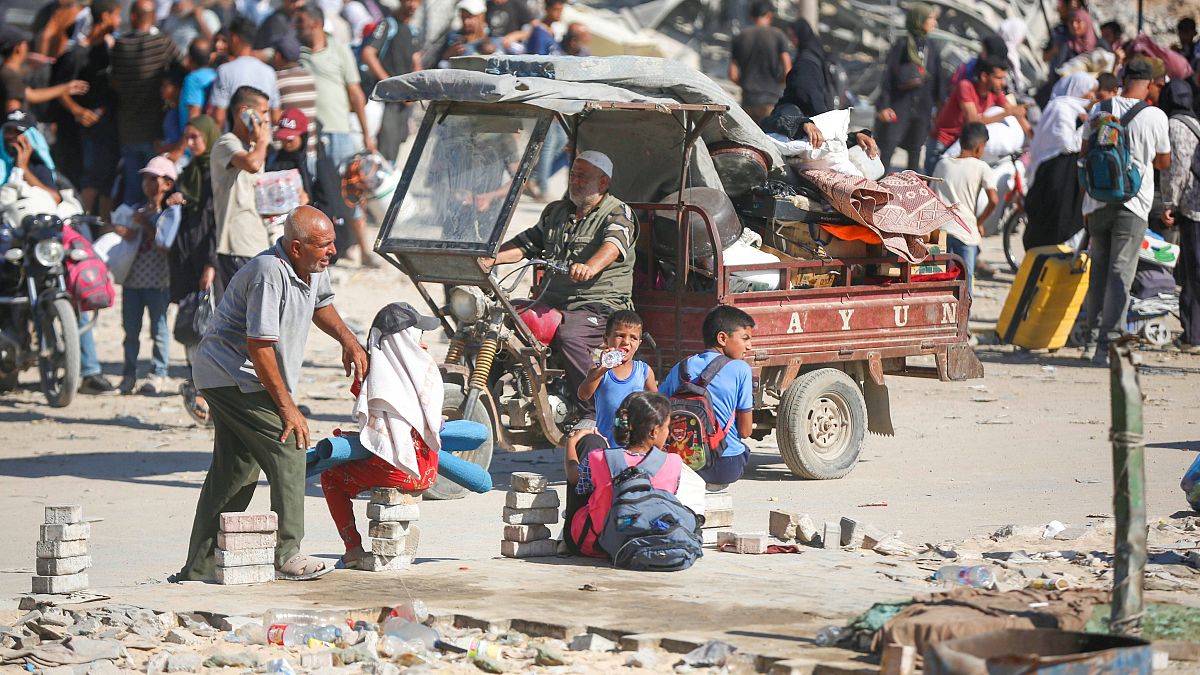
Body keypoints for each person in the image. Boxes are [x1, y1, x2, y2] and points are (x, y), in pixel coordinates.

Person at [177, 205, 369, 583]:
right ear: (296, 248)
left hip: (238, 376)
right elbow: (260, 345)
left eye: (333, 243)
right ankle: (287, 553)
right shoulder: (269, 273)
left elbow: (322, 303)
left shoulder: (312, 268)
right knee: (290, 444)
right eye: (323, 245)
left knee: (234, 471)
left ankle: (198, 568)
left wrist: (348, 340)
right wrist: (287, 406)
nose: (332, 251)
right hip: (231, 374)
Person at [484, 151, 637, 416]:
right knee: (502, 319)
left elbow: (613, 245)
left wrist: (590, 267)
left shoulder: (617, 212)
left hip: (598, 305)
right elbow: (526, 244)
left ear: (602, 183)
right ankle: (487, 395)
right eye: (573, 175)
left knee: (570, 336)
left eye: (583, 177)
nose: (575, 181)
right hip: (553, 302)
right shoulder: (557, 212)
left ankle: (591, 410)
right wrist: (489, 259)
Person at [320, 302, 443, 569]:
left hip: (396, 471)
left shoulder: (373, 371)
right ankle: (401, 533)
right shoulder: (428, 370)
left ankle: (352, 547)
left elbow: (371, 418)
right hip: (428, 471)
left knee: (330, 476)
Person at [1080, 59, 1171, 364]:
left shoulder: (1100, 109)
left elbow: (1083, 155)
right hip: (1133, 204)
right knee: (1121, 273)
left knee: (1099, 271)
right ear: (1146, 84)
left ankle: (1091, 339)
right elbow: (1163, 163)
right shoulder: (1155, 116)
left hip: (1096, 203)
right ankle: (1108, 345)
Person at [565, 391, 703, 558]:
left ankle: (567, 543)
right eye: (666, 426)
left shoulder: (598, 458)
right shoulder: (673, 462)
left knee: (589, 450)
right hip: (647, 540)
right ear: (654, 432)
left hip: (596, 545)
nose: (668, 432)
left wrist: (572, 443)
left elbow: (575, 480)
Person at [294, 4, 378, 266]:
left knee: (350, 191)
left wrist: (366, 135)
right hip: (308, 138)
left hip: (339, 132)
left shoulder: (340, 51)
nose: (297, 28)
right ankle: (328, 250)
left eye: (301, 23)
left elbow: (355, 94)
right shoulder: (297, 55)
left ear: (317, 24)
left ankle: (363, 248)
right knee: (317, 194)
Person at [657, 305, 755, 487]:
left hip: (682, 461)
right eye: (745, 338)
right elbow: (745, 431)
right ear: (722, 338)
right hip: (725, 466)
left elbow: (658, 406)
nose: (749, 346)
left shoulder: (681, 366)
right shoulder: (741, 369)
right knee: (743, 448)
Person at [563, 311, 657, 494]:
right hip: (605, 443)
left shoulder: (644, 371)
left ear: (639, 343)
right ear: (607, 339)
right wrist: (602, 369)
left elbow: (657, 405)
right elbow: (583, 394)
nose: (626, 342)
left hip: (634, 445)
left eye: (633, 337)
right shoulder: (599, 370)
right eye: (620, 335)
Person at [113, 156, 179, 395]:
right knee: (130, 331)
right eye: (146, 179)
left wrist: (146, 225)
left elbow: (165, 244)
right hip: (132, 281)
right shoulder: (135, 210)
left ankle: (158, 374)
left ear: (168, 184)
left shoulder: (171, 213)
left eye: (155, 179)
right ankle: (128, 375)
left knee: (159, 330)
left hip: (158, 281)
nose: (149, 184)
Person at [169, 116, 220, 419]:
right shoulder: (188, 172)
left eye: (195, 138)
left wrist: (211, 264)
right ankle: (195, 387)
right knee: (192, 325)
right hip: (185, 261)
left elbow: (216, 222)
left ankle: (211, 393)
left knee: (211, 328)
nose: (190, 144)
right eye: (187, 138)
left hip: (206, 261)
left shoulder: (215, 173)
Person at [50, 0, 119, 219]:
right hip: (88, 127)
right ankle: (83, 223)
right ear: (106, 16)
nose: (120, 20)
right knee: (91, 176)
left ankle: (102, 221)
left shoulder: (104, 48)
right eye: (117, 15)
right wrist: (78, 111)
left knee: (106, 175)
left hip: (106, 122)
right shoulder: (77, 53)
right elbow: (60, 90)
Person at [110, 0, 182, 205]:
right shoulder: (162, 42)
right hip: (156, 132)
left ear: (132, 17)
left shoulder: (120, 45)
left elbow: (114, 81)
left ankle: (132, 231)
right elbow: (181, 69)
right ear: (153, 17)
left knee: (133, 189)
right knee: (157, 192)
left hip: (128, 130)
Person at [1024, 72, 1096, 251]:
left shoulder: (1075, 110)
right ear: (1078, 90)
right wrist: (1087, 127)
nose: (1092, 97)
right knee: (1052, 221)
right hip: (1053, 174)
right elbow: (1066, 143)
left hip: (1066, 175)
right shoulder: (1060, 108)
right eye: (1090, 92)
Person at [211, 85, 272, 290]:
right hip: (236, 243)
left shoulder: (255, 148)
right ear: (244, 111)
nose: (267, 119)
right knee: (244, 312)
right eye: (263, 112)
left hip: (258, 240)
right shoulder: (226, 143)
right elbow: (252, 165)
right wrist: (263, 141)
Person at [873, 3, 944, 172]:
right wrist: (883, 106)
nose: (934, 22)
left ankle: (910, 192)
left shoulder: (932, 48)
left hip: (922, 110)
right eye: (930, 19)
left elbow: (939, 80)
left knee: (915, 150)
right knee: (888, 148)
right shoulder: (902, 45)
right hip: (899, 107)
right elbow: (888, 77)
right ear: (919, 21)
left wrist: (940, 107)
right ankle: (879, 189)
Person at [931, 122, 997, 299]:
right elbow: (994, 200)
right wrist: (979, 222)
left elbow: (931, 196)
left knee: (940, 281)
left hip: (941, 231)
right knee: (965, 284)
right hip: (966, 233)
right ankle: (963, 323)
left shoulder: (942, 164)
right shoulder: (981, 167)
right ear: (980, 147)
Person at [1158, 80, 1200, 353]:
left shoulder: (1174, 125)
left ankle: (1194, 335)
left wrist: (1169, 202)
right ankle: (1192, 333)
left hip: (1192, 207)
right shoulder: (1195, 122)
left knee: (1194, 272)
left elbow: (1178, 169)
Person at [927, 55, 1021, 175]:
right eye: (998, 78)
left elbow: (1013, 110)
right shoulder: (965, 87)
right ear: (984, 76)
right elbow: (973, 120)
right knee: (931, 185)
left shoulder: (995, 92)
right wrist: (1007, 113)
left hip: (961, 145)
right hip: (943, 143)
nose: (1002, 83)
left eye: (1003, 78)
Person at [360, 0, 422, 163]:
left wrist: (413, 92)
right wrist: (391, 85)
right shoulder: (387, 25)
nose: (413, 5)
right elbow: (368, 54)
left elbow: (416, 62)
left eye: (417, 1)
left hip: (403, 105)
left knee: (396, 152)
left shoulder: (413, 31)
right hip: (385, 101)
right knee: (383, 157)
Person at [209, 16, 280, 130]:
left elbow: (219, 118)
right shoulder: (269, 72)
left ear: (234, 38)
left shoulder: (225, 71)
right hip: (264, 141)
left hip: (236, 143)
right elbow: (276, 115)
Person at [728, 0, 791, 124]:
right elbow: (788, 69)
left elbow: (732, 74)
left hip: (749, 101)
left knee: (749, 141)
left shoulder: (740, 37)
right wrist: (780, 82)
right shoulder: (778, 35)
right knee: (768, 140)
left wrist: (746, 84)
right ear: (770, 15)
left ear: (751, 16)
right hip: (772, 100)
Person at [0, 26, 89, 113]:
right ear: (18, 48)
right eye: (24, 43)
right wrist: (16, 124)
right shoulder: (11, 77)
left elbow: (31, 95)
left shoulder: (5, 72)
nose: (27, 46)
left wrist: (65, 88)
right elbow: (13, 106)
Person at [271, 34, 319, 160]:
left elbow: (274, 116)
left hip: (285, 152)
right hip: (310, 149)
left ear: (278, 56)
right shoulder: (309, 77)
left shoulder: (276, 80)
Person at [775, 18, 835, 117]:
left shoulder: (806, 58)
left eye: (792, 36)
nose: (791, 39)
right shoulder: (817, 51)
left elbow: (805, 89)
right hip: (825, 106)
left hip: (814, 113)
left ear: (800, 34)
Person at [434, 0, 500, 68]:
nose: (466, 22)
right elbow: (439, 67)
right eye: (463, 17)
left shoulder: (493, 38)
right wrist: (447, 56)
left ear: (481, 16)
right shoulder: (452, 38)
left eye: (470, 17)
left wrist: (493, 55)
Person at [180, 38, 216, 124]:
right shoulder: (216, 74)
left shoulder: (193, 79)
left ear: (190, 59)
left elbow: (194, 115)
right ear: (211, 57)